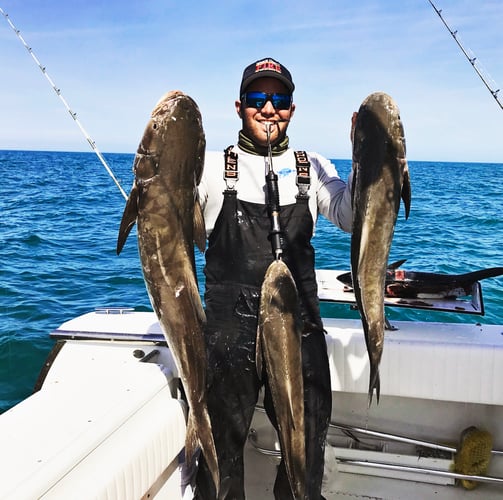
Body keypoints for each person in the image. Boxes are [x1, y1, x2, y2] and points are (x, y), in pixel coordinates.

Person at [194, 57, 353, 499]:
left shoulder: (314, 166)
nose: (269, 109)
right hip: (230, 329)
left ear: (292, 109)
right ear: (240, 106)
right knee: (221, 447)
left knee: (308, 438)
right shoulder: (209, 167)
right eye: (258, 99)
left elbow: (351, 216)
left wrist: (370, 157)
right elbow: (175, 216)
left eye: (279, 99)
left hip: (299, 322)